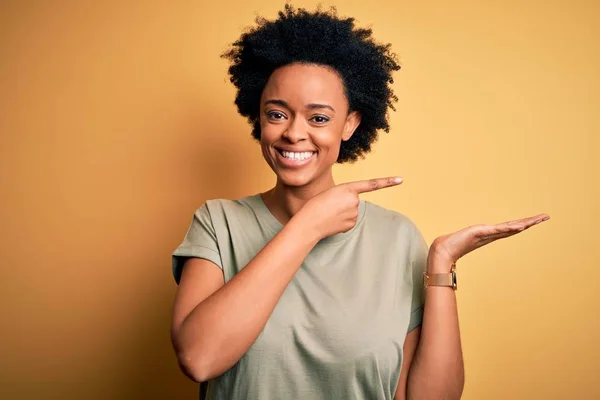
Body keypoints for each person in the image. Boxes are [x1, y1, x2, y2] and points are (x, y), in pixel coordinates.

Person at [170, 5, 549, 400]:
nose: (294, 133)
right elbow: (199, 358)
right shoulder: (218, 223)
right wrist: (308, 226)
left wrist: (440, 264)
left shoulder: (397, 238)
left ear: (350, 124)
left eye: (318, 118)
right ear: (259, 118)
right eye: (277, 114)